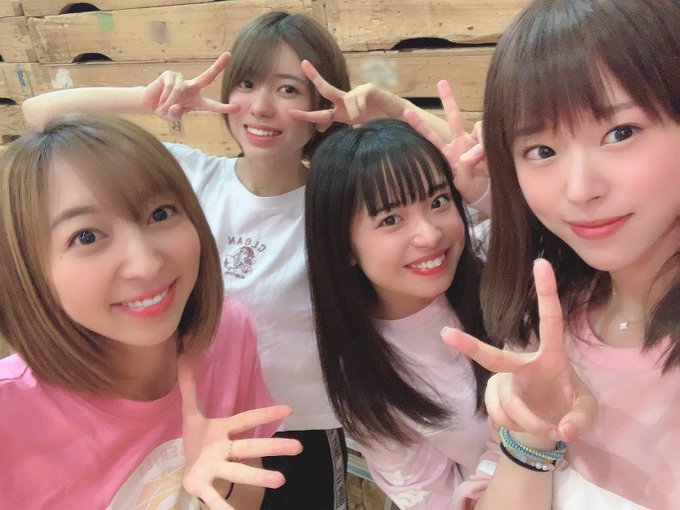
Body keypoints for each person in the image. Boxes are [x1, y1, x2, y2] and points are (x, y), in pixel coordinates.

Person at [21, 11, 452, 508]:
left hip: (301, 429)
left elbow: (465, 168)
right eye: (247, 83)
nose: (261, 108)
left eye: (288, 90)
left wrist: (392, 110)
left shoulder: (339, 203)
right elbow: (39, 116)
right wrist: (143, 99)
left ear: (321, 103)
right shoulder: (188, 178)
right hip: (193, 427)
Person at [416, 1, 680, 508]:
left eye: (620, 133)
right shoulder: (549, 318)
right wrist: (531, 436)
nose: (580, 189)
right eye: (541, 151)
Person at [0, 113, 302, 509]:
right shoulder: (10, 418)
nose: (146, 264)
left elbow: (245, 499)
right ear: (26, 271)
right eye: (86, 236)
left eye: (160, 214)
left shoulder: (226, 332)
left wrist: (215, 483)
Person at [304, 118, 494, 509]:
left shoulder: (494, 258)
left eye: (438, 201)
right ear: (344, 248)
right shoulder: (368, 376)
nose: (430, 234)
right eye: (391, 220)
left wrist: (491, 193)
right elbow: (436, 502)